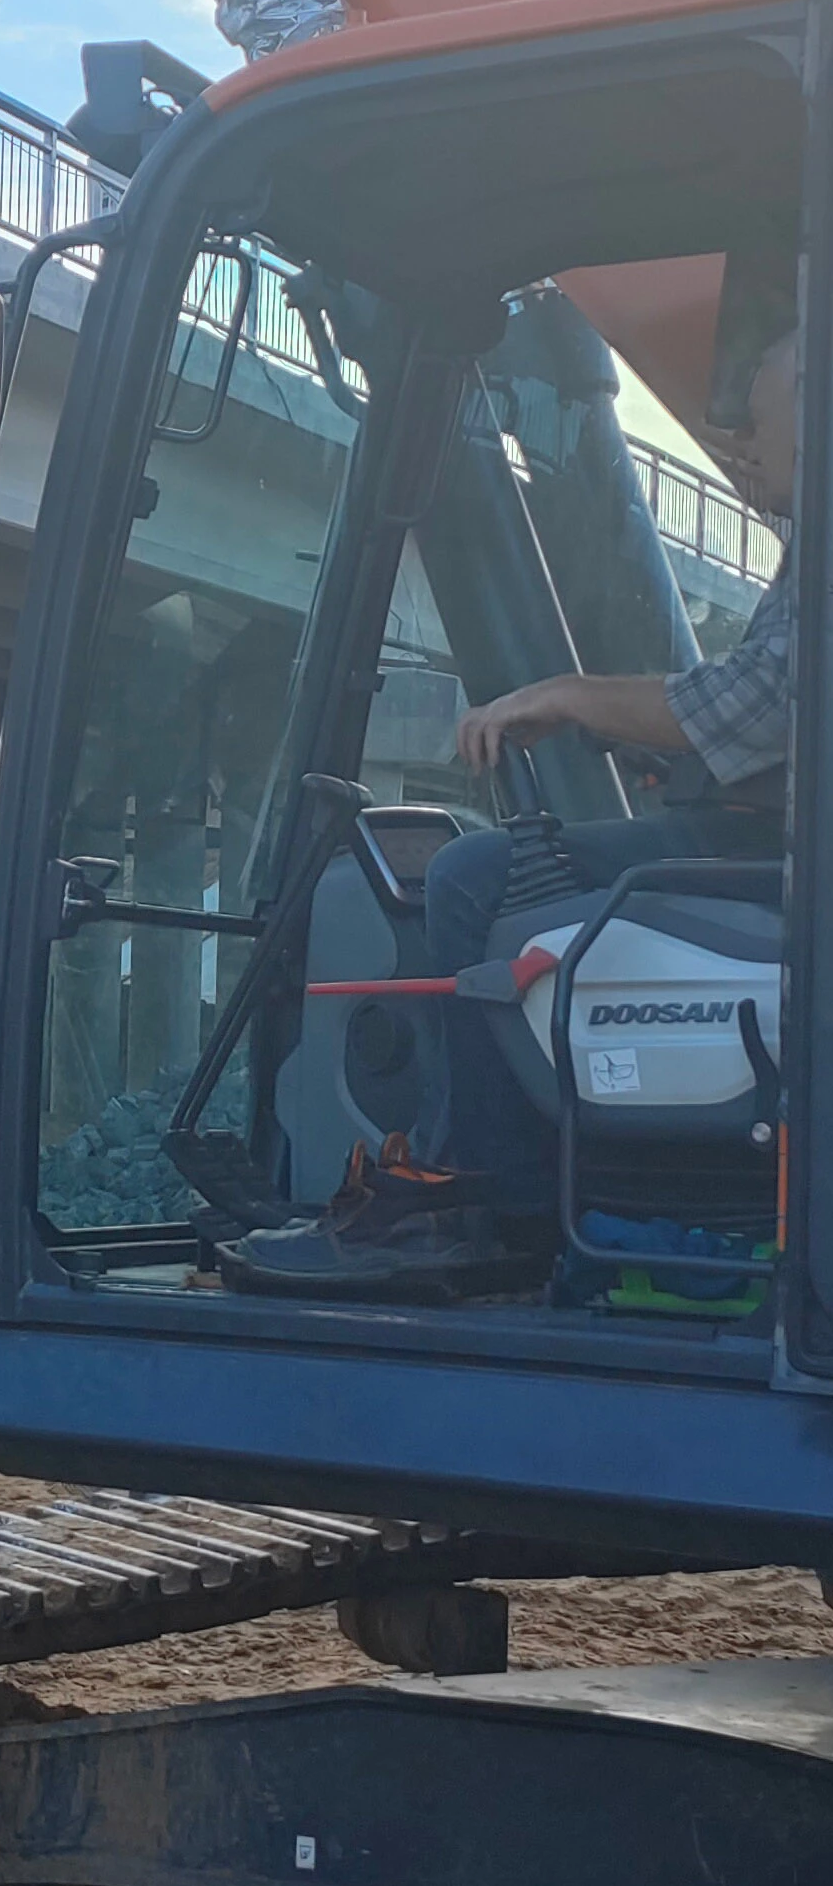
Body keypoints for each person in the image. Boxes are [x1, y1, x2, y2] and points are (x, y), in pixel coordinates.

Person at [225, 323, 797, 1300]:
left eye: (770, 413)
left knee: (473, 875)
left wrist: (569, 694)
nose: (741, 436)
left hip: (786, 873)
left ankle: (478, 1199)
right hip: (779, 843)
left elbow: (751, 706)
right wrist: (677, 756)